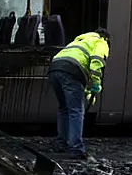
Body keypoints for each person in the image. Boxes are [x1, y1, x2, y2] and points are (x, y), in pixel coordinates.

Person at [47, 28, 110, 159]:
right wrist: (96, 83)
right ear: (106, 38)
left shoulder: (79, 41)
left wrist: (87, 92)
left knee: (64, 109)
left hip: (54, 69)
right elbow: (96, 63)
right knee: (76, 111)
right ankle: (76, 148)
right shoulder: (100, 42)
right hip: (71, 71)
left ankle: (61, 143)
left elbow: (81, 73)